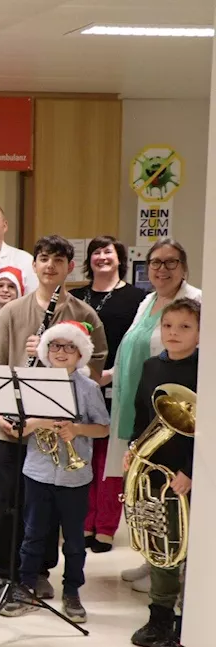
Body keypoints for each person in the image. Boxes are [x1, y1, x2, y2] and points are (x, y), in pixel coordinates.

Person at [0, 235, 108, 602]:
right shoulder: (12, 311)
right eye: (43, 258)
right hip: (13, 424)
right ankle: (4, 570)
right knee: (7, 502)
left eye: (58, 259)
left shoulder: (83, 313)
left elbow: (96, 367)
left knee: (46, 507)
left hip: (55, 431)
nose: (50, 265)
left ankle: (38, 571)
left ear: (70, 266)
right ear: (33, 265)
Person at [1, 321, 109, 623]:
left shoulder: (88, 388)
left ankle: (72, 591)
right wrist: (36, 423)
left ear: (81, 353)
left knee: (74, 539)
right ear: (47, 351)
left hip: (75, 476)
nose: (61, 352)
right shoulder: (34, 383)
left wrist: (75, 430)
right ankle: (25, 585)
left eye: (69, 346)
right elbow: (18, 428)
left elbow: (103, 429)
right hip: (38, 470)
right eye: (55, 346)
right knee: (33, 533)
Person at [110, 239, 201, 593]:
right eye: (155, 262)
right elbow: (131, 347)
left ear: (184, 267)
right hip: (147, 406)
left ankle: (174, 575)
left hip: (181, 430)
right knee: (151, 499)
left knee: (177, 508)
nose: (162, 268)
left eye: (171, 262)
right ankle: (154, 561)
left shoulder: (196, 300)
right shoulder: (147, 300)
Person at [127, 298, 199, 647]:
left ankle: (190, 627)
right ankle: (160, 617)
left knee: (190, 550)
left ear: (201, 332)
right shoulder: (151, 366)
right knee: (160, 543)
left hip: (189, 473)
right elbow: (143, 414)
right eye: (168, 325)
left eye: (185, 327)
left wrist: (191, 470)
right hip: (156, 467)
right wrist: (133, 447)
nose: (174, 333)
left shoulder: (205, 367)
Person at [69, 236, 147, 553]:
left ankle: (105, 528)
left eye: (108, 252)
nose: (102, 257)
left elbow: (136, 345)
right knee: (82, 452)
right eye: (96, 252)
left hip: (117, 384)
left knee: (109, 459)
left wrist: (109, 375)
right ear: (89, 260)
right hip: (79, 386)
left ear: (120, 258)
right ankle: (84, 522)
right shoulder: (75, 296)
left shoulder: (137, 299)